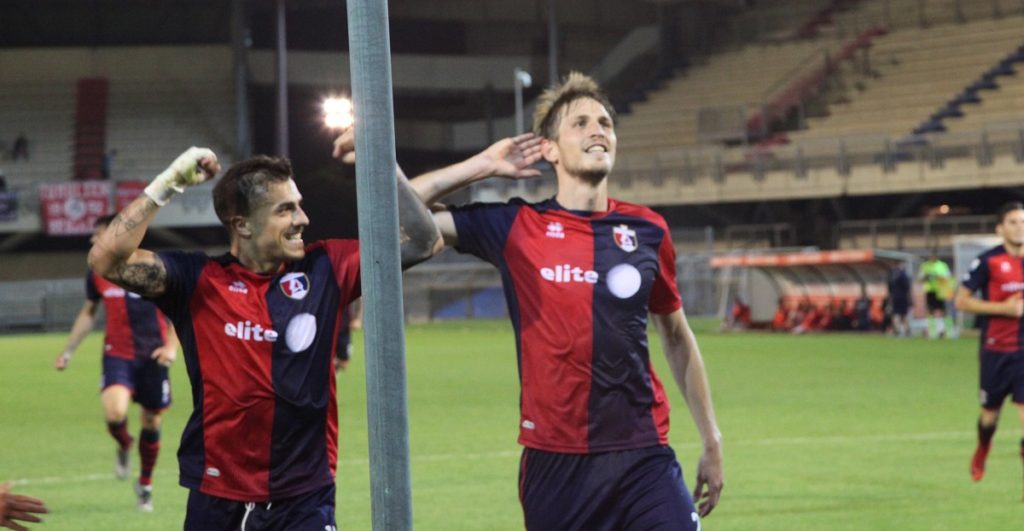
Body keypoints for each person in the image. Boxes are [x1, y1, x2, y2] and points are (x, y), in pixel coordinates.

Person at [402, 71, 723, 529]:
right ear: (549, 149)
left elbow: (676, 337)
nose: (598, 130)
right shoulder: (516, 225)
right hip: (556, 465)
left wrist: (711, 439)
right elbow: (398, 209)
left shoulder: (648, 230)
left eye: (605, 123)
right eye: (580, 123)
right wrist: (484, 164)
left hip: (643, 454)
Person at [87, 141, 438, 530]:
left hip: (305, 498)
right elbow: (105, 259)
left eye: (299, 205)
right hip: (217, 496)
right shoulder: (197, 280)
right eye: (285, 209)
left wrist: (382, 160)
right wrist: (168, 183)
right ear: (243, 225)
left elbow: (424, 241)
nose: (302, 218)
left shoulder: (327, 267)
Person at [55, 214, 178, 512]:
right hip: (117, 354)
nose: (93, 239)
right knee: (114, 413)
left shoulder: (151, 267)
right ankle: (124, 444)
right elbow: (88, 313)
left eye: (98, 234)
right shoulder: (97, 272)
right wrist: (68, 351)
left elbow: (177, 311)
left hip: (153, 356)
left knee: (152, 421)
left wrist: (171, 347)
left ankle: (145, 485)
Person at [955, 201, 1024, 488]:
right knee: (989, 416)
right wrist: (1003, 309)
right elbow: (962, 301)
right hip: (995, 351)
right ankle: (983, 447)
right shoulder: (988, 261)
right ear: (1000, 229)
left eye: (1023, 222)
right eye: (1013, 222)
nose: (1020, 227)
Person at [919, 252, 953, 338]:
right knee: (930, 311)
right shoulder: (926, 265)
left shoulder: (942, 265)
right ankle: (932, 331)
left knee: (942, 311)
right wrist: (925, 277)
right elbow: (920, 278)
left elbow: (948, 276)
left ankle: (947, 330)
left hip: (940, 290)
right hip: (930, 291)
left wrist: (938, 277)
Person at [887, 264, 912, 337]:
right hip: (903, 297)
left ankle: (897, 330)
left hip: (894, 297)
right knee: (904, 314)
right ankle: (907, 331)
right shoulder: (903, 275)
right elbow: (907, 286)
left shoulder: (892, 274)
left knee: (895, 314)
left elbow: (889, 287)